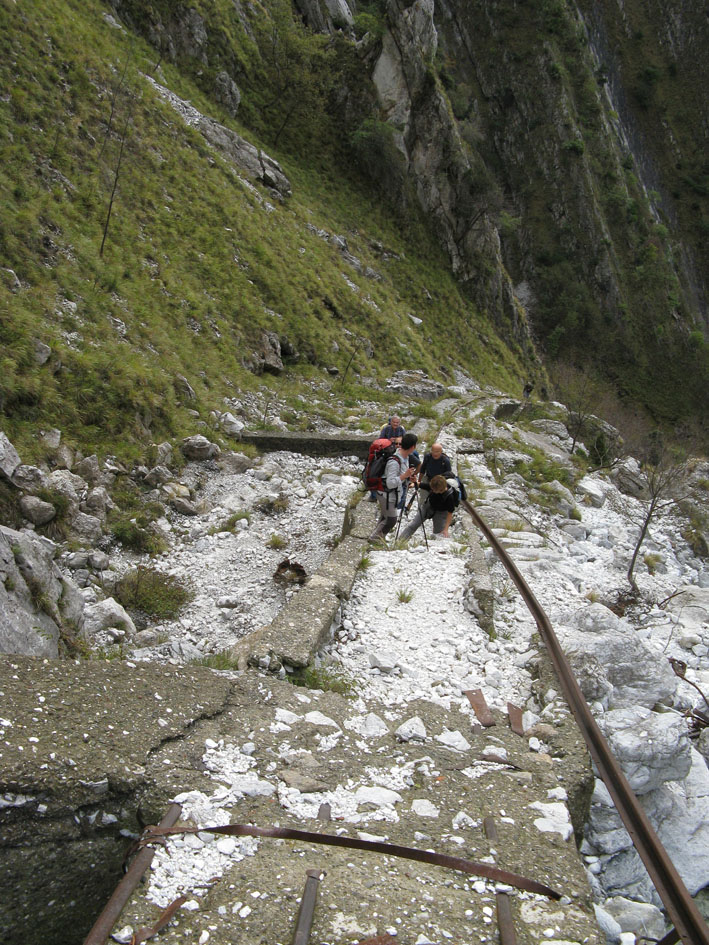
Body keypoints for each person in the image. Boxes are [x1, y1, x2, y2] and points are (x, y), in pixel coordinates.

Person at [369, 432, 418, 541]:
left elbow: (399, 476)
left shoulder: (405, 458)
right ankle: (374, 539)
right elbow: (390, 482)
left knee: (384, 517)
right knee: (391, 519)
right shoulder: (394, 461)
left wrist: (409, 478)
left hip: (392, 494)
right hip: (386, 494)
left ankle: (377, 538)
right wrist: (404, 476)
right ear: (412, 447)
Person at [400, 474, 458, 540]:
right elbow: (424, 485)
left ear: (440, 490)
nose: (432, 491)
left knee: (439, 533)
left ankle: (435, 546)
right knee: (413, 525)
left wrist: (446, 529)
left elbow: (450, 513)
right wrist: (415, 483)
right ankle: (400, 541)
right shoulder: (435, 485)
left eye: (434, 490)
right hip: (428, 507)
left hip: (441, 513)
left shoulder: (450, 497)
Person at [369, 415, 407, 501]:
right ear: (391, 422)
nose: (396, 424)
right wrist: (389, 440)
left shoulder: (401, 429)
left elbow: (405, 439)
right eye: (394, 422)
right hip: (387, 449)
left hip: (398, 449)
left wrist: (398, 441)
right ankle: (374, 493)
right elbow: (380, 439)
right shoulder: (386, 429)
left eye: (397, 423)